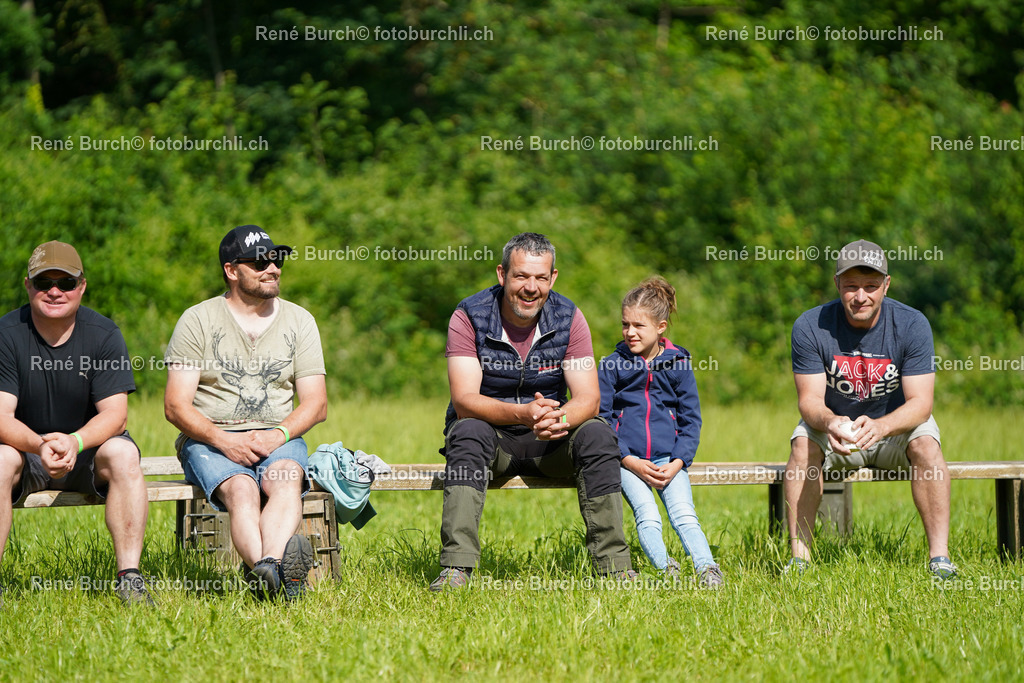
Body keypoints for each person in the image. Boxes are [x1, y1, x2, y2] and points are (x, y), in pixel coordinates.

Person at [431, 232, 634, 591]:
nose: (531, 287)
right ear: (502, 274)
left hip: (551, 439)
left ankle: (614, 569)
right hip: (493, 441)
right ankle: (456, 569)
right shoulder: (469, 315)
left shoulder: (570, 317)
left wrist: (558, 419)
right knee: (466, 430)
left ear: (553, 278)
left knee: (598, 432)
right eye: (521, 276)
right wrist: (523, 413)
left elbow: (588, 397)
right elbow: (464, 399)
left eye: (541, 278)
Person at [164, 225, 327, 600]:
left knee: (285, 479)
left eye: (277, 259)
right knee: (241, 490)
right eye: (259, 262)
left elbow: (316, 403)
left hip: (278, 435)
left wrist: (278, 436)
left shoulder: (300, 321)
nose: (272, 268)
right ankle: (279, 573)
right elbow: (175, 405)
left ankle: (266, 570)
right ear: (231, 270)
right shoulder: (198, 320)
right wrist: (225, 441)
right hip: (211, 438)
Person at [785, 239, 955, 578]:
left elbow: (921, 404)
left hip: (895, 430)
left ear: (886, 285)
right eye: (850, 286)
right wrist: (832, 422)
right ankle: (799, 560)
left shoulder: (912, 324)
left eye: (870, 286)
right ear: (837, 284)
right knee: (802, 445)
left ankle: (940, 560)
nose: (860, 296)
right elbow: (809, 401)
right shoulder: (809, 326)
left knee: (927, 445)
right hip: (839, 435)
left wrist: (881, 427)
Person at [0, 241, 151, 605]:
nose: (54, 291)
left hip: (88, 450)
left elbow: (116, 415)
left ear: (81, 286)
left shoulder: (104, 334)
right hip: (25, 450)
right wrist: (39, 445)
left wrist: (75, 442)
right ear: (28, 285)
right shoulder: (6, 333)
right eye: (44, 282)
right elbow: (1, 415)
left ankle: (130, 578)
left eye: (65, 283)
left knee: (123, 455)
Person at [598, 277, 724, 588]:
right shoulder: (611, 366)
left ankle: (707, 569)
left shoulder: (679, 364)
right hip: (628, 461)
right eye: (625, 324)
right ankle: (666, 568)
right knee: (648, 515)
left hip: (670, 459)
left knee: (684, 514)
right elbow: (602, 419)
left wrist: (679, 462)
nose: (630, 332)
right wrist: (628, 460)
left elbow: (691, 420)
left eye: (639, 325)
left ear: (661, 327)